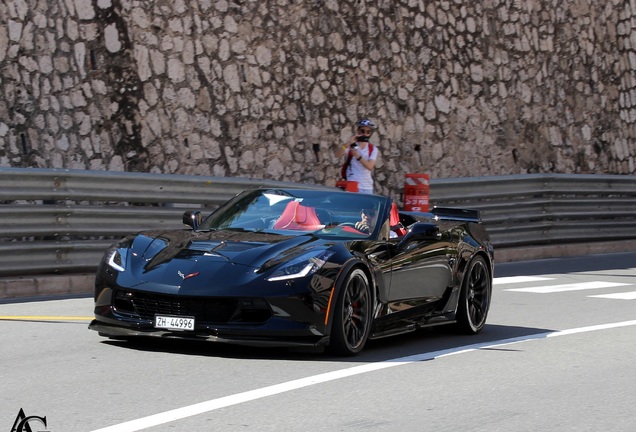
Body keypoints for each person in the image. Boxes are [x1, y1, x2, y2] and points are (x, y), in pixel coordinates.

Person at [335, 119, 380, 194]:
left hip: (367, 187)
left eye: (368, 132)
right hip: (353, 184)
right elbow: (337, 155)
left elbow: (370, 166)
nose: (365, 134)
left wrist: (357, 156)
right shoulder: (350, 146)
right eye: (363, 131)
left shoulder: (373, 149)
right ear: (358, 131)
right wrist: (348, 143)